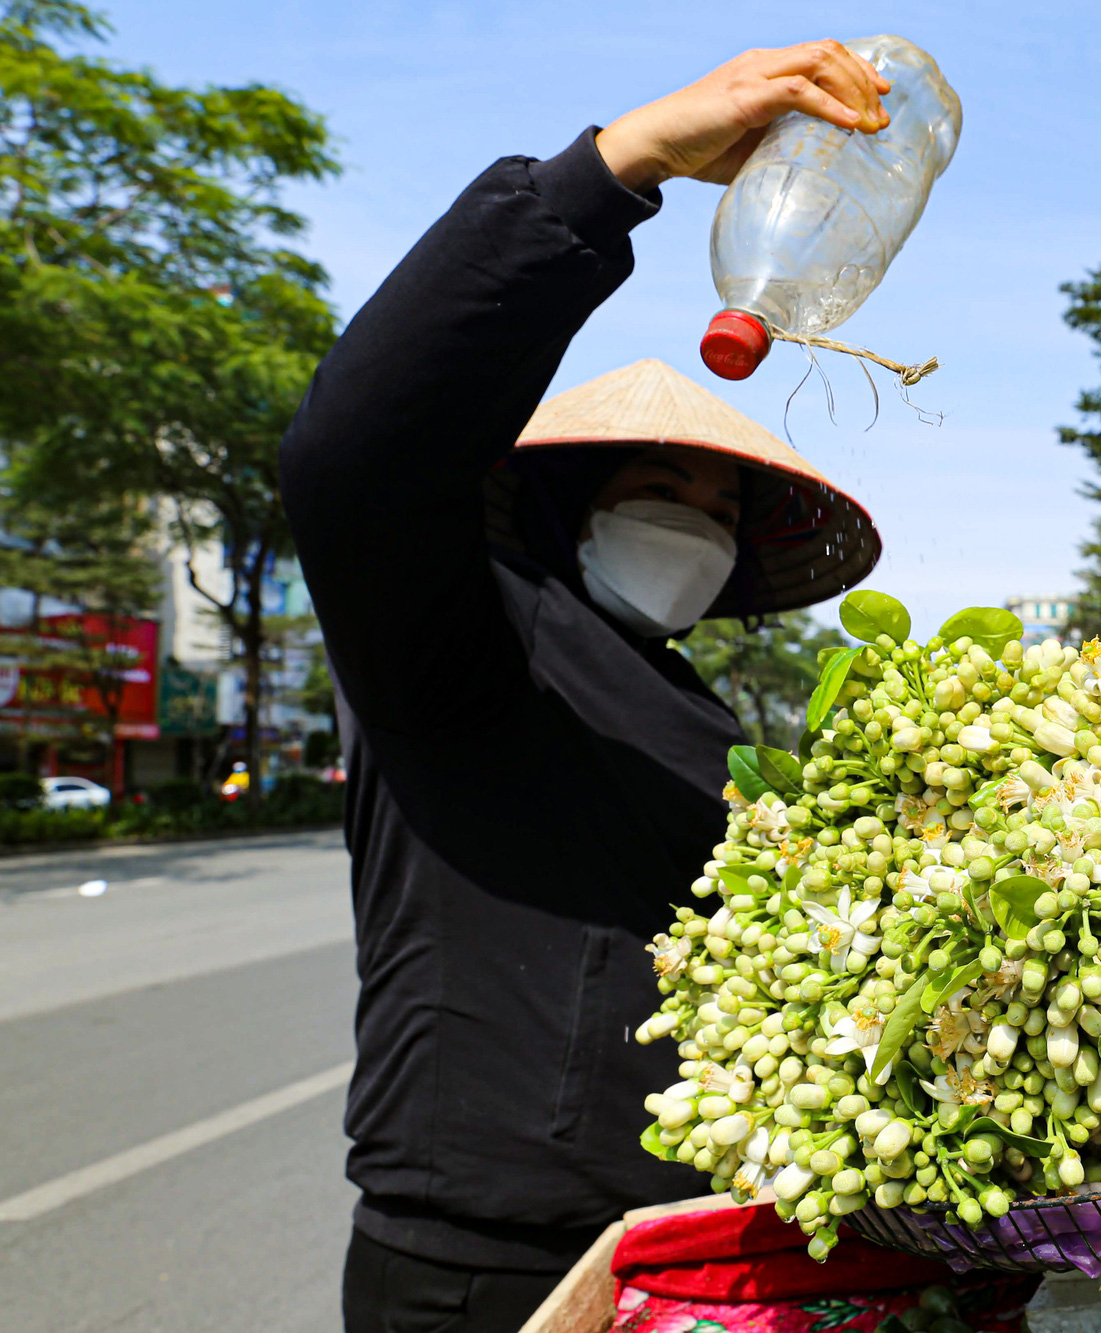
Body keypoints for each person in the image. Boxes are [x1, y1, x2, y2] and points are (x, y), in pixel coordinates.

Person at [278, 41, 891, 1333]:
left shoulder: (719, 727)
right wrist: (622, 167)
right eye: (660, 490)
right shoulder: (462, 644)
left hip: (696, 1260)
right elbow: (358, 449)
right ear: (561, 506)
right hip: (477, 1272)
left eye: (721, 510)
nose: (696, 525)